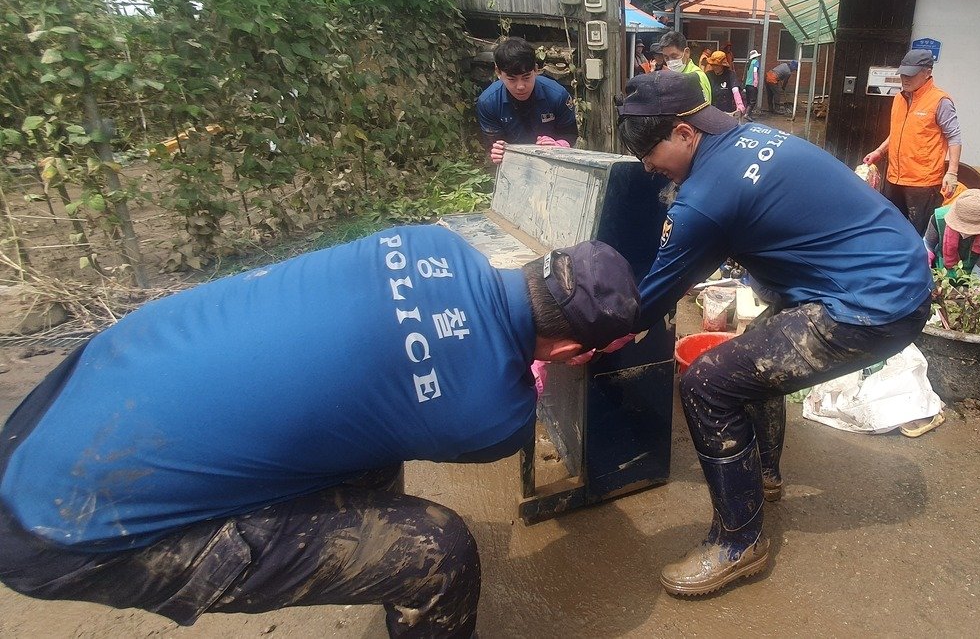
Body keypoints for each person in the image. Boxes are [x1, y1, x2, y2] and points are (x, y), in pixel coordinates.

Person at [0, 228, 640, 637]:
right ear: (562, 350)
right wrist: (533, 368)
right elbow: (495, 407)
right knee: (438, 553)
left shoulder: (432, 242)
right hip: (67, 528)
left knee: (368, 431)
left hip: (65, 406)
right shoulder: (494, 418)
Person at [614, 70, 932, 596]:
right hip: (894, 268)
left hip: (871, 304)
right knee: (754, 358)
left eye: (650, 152)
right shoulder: (752, 134)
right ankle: (761, 475)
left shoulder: (704, 199)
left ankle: (739, 542)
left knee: (708, 384)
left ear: (685, 133)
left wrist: (582, 336)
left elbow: (648, 305)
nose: (647, 167)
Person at [862, 49, 964, 231]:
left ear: (927, 73)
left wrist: (952, 172)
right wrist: (879, 151)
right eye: (903, 74)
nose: (905, 79)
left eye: (911, 74)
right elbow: (898, 132)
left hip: (923, 182)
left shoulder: (940, 101)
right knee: (891, 227)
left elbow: (954, 136)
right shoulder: (899, 99)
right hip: (894, 178)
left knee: (919, 232)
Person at [476, 37, 578, 165]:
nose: (520, 86)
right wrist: (498, 153)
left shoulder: (557, 95)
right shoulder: (488, 102)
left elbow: (570, 133)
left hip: (553, 161)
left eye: (526, 77)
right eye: (512, 79)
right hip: (513, 164)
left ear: (535, 70)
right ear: (498, 72)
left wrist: (560, 145)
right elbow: (494, 144)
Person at [924, 188, 980, 276]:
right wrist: (926, 258)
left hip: (974, 270)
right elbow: (928, 243)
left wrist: (975, 285)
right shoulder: (939, 218)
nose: (965, 233)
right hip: (943, 270)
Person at [655, 30, 712, 104]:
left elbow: (703, 110)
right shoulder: (675, 74)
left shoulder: (696, 77)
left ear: (687, 52)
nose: (670, 61)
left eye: (674, 56)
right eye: (666, 57)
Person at [703, 49, 747, 119]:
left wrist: (739, 105)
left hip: (728, 112)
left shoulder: (730, 75)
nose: (714, 67)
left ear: (723, 65)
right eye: (713, 65)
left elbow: (735, 90)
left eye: (717, 65)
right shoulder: (708, 75)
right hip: (712, 111)